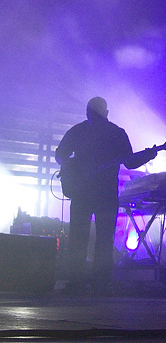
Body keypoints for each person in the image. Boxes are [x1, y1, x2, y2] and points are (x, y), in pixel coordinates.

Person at [55, 97, 157, 295]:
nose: (91, 116)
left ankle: (85, 284)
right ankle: (96, 284)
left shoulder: (89, 131)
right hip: (98, 194)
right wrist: (69, 166)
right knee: (98, 239)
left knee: (86, 238)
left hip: (92, 194)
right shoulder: (113, 133)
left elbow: (130, 162)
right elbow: (61, 155)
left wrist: (149, 154)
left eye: (93, 113)